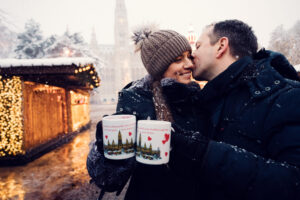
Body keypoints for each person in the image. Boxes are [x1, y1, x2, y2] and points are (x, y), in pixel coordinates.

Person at [170, 19, 300, 200]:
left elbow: (294, 184)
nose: (192, 56)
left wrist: (206, 154)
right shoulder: (209, 100)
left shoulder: (286, 97)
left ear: (221, 46)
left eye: (198, 46)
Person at [87, 28, 203, 200]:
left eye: (189, 56)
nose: (189, 64)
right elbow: (109, 180)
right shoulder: (135, 100)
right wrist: (106, 149)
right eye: (179, 59)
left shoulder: (198, 98)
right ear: (159, 66)